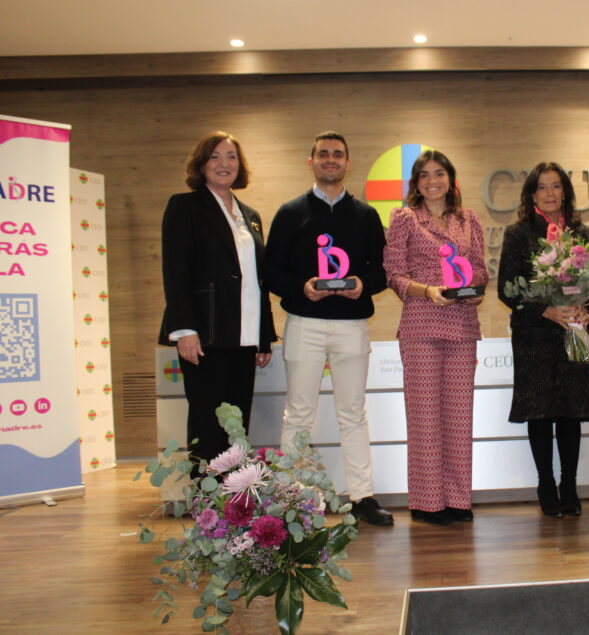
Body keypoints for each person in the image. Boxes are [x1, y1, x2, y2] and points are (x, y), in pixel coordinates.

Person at [264, 131, 393, 527]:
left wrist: (362, 286)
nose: (330, 159)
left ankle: (361, 496)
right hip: (305, 323)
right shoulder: (289, 213)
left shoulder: (366, 216)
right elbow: (270, 271)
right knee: (298, 414)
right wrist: (300, 288)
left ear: (347, 162)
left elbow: (382, 271)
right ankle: (293, 500)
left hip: (351, 325)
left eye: (338, 154)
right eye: (323, 154)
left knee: (353, 412)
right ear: (311, 161)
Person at [158, 131, 275, 465]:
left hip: (244, 335)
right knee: (208, 423)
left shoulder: (250, 215)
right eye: (215, 157)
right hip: (204, 334)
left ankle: (236, 500)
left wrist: (264, 336)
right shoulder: (185, 206)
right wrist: (184, 329)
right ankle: (207, 502)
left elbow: (257, 279)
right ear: (201, 164)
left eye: (231, 157)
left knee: (237, 423)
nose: (224, 164)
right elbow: (175, 271)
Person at [383, 150, 487, 525]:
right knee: (425, 417)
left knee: (460, 417)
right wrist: (427, 291)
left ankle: (459, 499)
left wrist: (475, 289)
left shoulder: (468, 219)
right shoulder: (405, 218)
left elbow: (479, 270)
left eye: (439, 173)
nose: (432, 181)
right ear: (416, 182)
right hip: (421, 324)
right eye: (424, 175)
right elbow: (393, 273)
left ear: (450, 178)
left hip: (462, 324)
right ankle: (427, 503)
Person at [498, 162, 589, 517]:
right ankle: (545, 483)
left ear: (566, 192)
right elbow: (507, 288)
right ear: (532, 195)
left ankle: (569, 484)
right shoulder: (518, 234)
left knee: (570, 413)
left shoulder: (583, 233)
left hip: (573, 331)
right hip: (534, 335)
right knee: (540, 412)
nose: (549, 193)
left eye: (555, 186)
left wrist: (588, 310)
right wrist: (546, 310)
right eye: (541, 187)